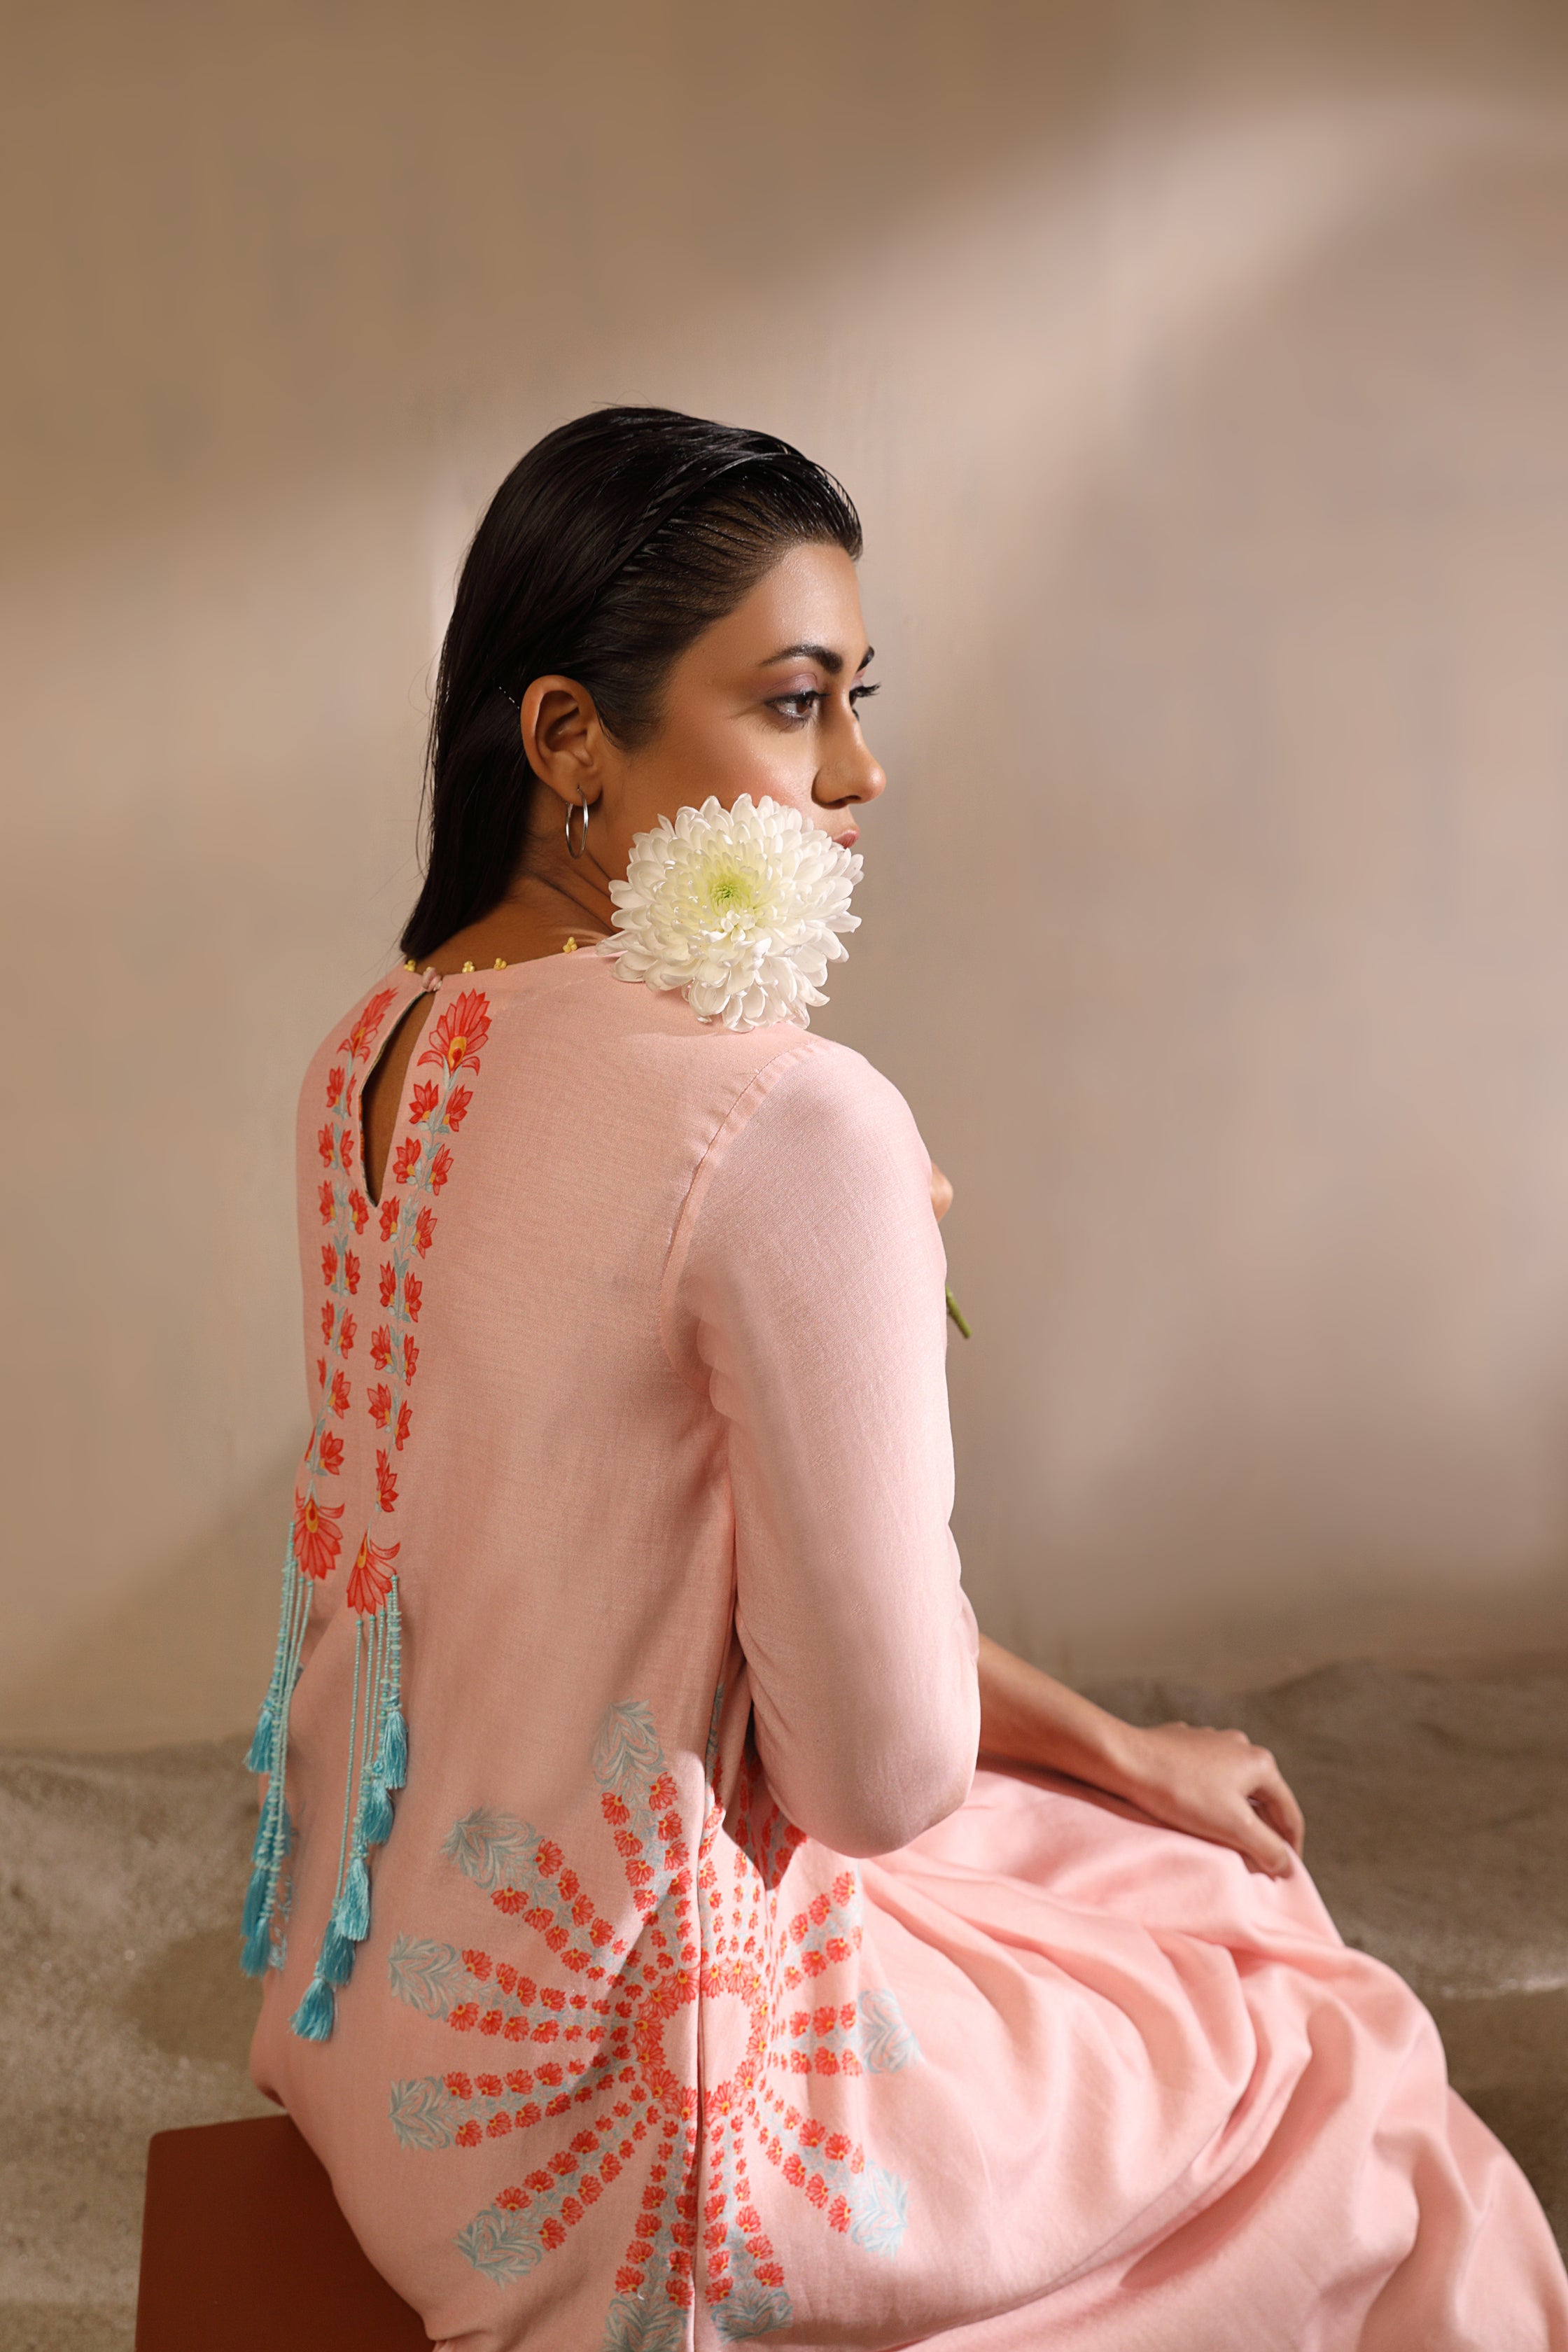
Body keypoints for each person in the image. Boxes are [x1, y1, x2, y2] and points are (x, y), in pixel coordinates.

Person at [245, 407, 1568, 2351]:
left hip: (371, 2026)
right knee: (1327, 2048)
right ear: (568, 739)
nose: (861, 771)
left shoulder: (371, 1051)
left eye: (857, 699)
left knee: (1134, 1836)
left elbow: (621, 1598)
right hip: (630, 2147)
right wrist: (868, 1272)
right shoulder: (785, 1119)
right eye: (797, 704)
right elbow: (874, 1783)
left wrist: (1115, 1745)